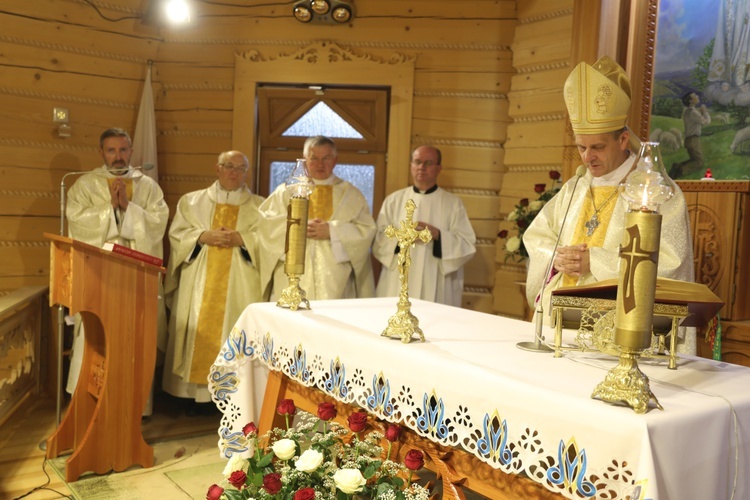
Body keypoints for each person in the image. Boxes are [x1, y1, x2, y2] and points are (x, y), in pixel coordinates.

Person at [522, 56, 696, 353]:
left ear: (624, 140)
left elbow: (669, 266)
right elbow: (538, 237)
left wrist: (597, 261)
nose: (588, 157)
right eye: (581, 147)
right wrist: (557, 257)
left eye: (598, 147)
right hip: (562, 328)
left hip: (623, 336)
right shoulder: (574, 188)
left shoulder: (657, 194)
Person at [65, 127, 169, 403]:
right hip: (99, 275)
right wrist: (110, 210)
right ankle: (87, 401)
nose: (118, 156)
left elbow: (158, 224)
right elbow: (76, 221)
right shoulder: (85, 185)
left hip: (136, 279)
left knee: (133, 336)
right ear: (101, 153)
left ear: (131, 151)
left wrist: (129, 208)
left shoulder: (148, 186)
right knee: (94, 333)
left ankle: (134, 404)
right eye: (111, 150)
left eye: (123, 150)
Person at [162, 150, 267, 415]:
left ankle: (232, 398)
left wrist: (243, 239)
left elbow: (269, 242)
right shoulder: (192, 201)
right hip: (198, 283)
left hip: (239, 286)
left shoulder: (260, 207)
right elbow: (177, 235)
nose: (233, 172)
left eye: (240, 168)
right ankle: (190, 398)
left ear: (246, 172)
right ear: (217, 169)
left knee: (233, 332)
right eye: (228, 166)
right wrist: (202, 236)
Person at [258, 136, 376, 300]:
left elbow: (366, 231)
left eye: (326, 158)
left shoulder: (351, 195)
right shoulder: (286, 191)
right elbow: (266, 226)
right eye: (314, 158)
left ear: (335, 160)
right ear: (305, 160)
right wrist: (297, 228)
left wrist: (332, 231)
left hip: (335, 278)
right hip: (292, 273)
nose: (320, 164)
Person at [373, 145, 476, 307]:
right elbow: (379, 238)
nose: (421, 167)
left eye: (428, 163)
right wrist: (402, 237)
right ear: (411, 166)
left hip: (435, 277)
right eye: (417, 162)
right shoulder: (394, 200)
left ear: (438, 168)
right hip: (399, 276)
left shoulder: (453, 204)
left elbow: (466, 244)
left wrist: (438, 235)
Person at [669, 92, 711, 179]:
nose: (697, 96)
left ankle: (677, 167)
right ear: (691, 100)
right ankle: (680, 171)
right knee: (699, 162)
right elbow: (706, 122)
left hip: (689, 139)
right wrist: (705, 112)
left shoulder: (688, 112)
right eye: (695, 96)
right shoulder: (693, 112)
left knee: (693, 159)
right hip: (693, 139)